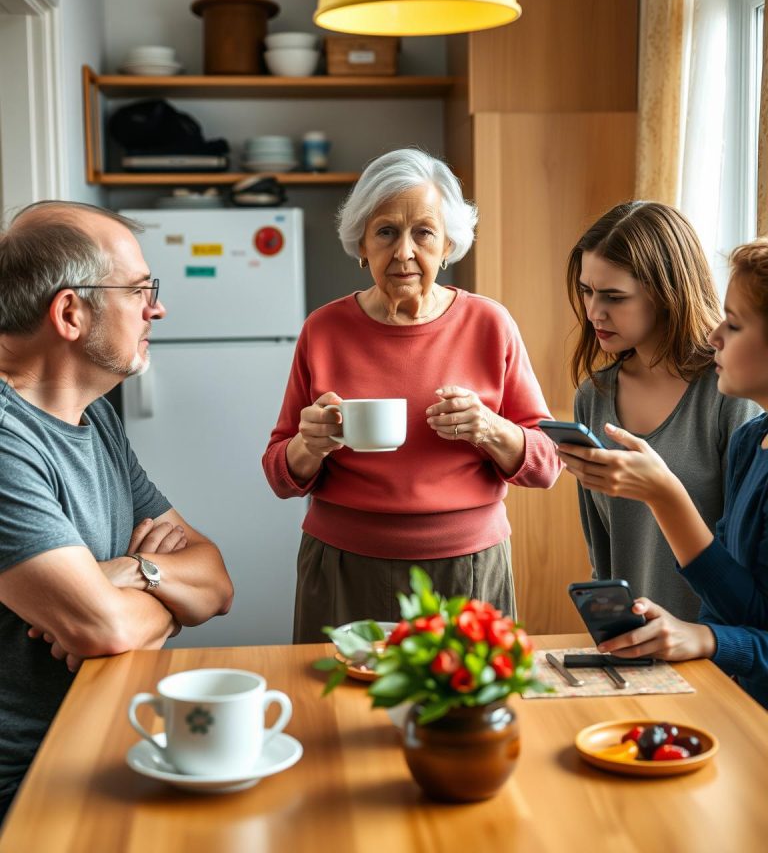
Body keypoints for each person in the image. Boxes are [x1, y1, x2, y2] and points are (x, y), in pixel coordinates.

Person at [263, 148, 561, 641]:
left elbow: (548, 463)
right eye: (386, 232)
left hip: (466, 570)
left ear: (448, 245)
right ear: (362, 242)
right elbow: (279, 472)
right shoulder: (324, 329)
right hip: (343, 567)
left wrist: (488, 428)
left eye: (423, 232)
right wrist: (308, 446)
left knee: (463, 714)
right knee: (334, 713)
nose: (403, 252)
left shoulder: (490, 324)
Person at [0, 201, 234, 821]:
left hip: (100, 732)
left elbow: (215, 581)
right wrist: (147, 606)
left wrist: (131, 573)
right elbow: (101, 631)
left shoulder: (95, 416)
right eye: (137, 290)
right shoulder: (3, 437)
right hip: (29, 781)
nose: (157, 308)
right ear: (70, 313)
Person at [559, 238, 768, 709]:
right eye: (587, 292)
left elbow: (742, 616)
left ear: (666, 292)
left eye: (613, 296)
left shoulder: (727, 399)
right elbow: (742, 608)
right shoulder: (752, 440)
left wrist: (665, 494)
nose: (594, 311)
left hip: (721, 677)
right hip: (667, 661)